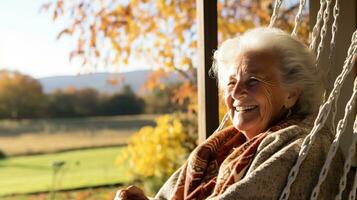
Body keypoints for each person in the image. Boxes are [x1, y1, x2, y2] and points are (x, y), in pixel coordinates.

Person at [115, 27, 345, 200]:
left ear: (292, 93)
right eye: (231, 82)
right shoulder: (220, 147)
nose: (235, 92)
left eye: (253, 81)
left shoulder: (304, 146)